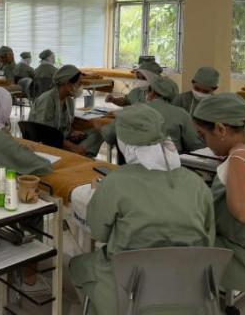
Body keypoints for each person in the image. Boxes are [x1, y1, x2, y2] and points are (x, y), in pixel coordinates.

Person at [69, 105, 215, 315]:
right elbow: (208, 239)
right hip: (188, 288)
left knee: (78, 265)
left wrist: (101, 194)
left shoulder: (116, 182)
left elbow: (98, 233)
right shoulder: (197, 184)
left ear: (125, 143)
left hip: (130, 289)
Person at [193, 93, 245, 308]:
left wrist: (237, 158)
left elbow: (244, 211)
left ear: (221, 129)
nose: (205, 143)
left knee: (177, 249)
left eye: (203, 136)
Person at [99, 76, 204, 153]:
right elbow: (195, 146)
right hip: (173, 169)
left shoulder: (133, 111)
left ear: (152, 92)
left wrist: (95, 123)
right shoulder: (182, 114)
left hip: (137, 168)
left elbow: (108, 134)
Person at [28, 65, 104, 157]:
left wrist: (72, 132)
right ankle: (78, 156)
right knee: (81, 149)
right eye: (79, 84)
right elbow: (45, 134)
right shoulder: (47, 100)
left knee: (97, 132)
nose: (80, 87)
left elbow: (65, 124)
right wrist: (71, 146)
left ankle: (80, 156)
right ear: (68, 83)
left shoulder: (69, 101)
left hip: (62, 139)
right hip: (46, 143)